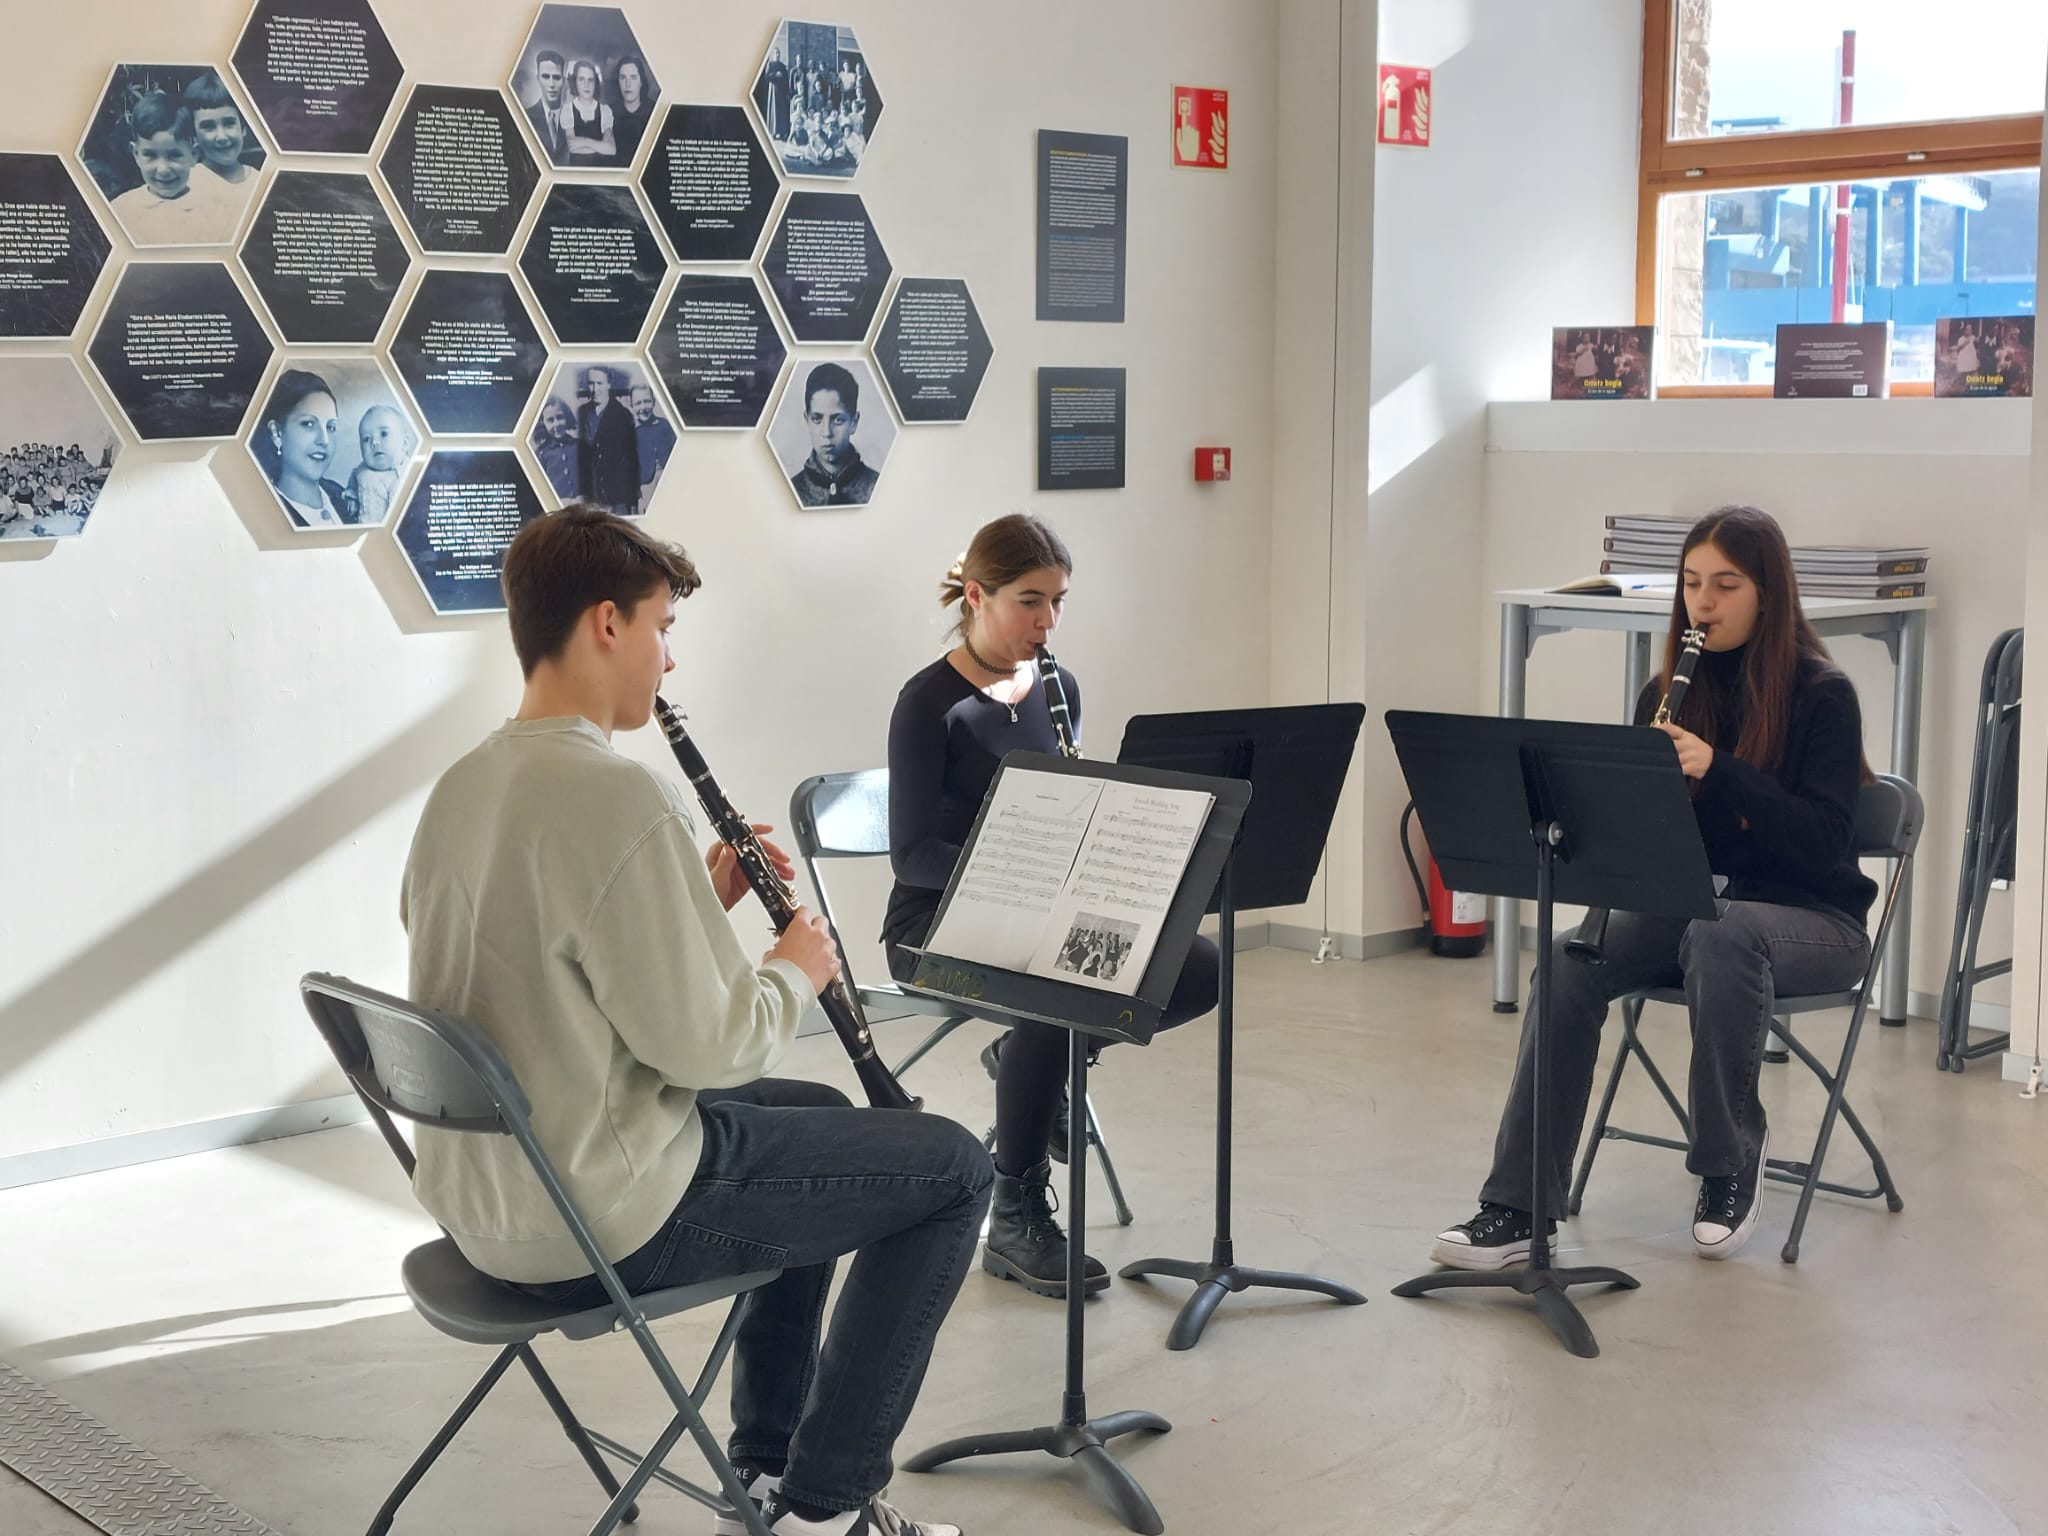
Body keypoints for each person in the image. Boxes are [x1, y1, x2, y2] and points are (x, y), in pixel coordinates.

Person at [402, 505, 987, 1536]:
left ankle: (761, 1471)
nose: (668, 661)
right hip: (603, 1215)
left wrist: (685, 908)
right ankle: (824, 1508)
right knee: (950, 1169)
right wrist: (793, 971)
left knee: (808, 1110)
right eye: (663, 625)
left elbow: (534, 971)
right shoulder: (613, 796)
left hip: (486, 1200)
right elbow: (711, 1046)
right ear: (606, 624)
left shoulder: (464, 785)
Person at [1430, 505, 1876, 1270]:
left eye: (1726, 586)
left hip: (1813, 922)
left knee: (1723, 931)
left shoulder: (1823, 696)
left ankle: (1728, 1159)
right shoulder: (1665, 693)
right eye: (1693, 584)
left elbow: (1825, 843)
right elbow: (1645, 847)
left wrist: (1719, 769)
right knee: (1573, 960)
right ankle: (1516, 1206)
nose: (1703, 603)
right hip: (1699, 914)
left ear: (1768, 593)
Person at [884, 513, 1221, 1298]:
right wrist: (1024, 880)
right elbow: (913, 856)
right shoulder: (929, 704)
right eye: (1030, 601)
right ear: (977, 595)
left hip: (1038, 914)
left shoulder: (1060, 688)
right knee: (1055, 993)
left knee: (1198, 966)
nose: (1048, 621)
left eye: (1059, 601)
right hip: (934, 922)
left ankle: (1045, 1064)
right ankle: (1015, 1210)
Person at [107, 93, 234, 243]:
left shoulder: (216, 212)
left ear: (194, 154)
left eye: (174, 155)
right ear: (136, 153)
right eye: (150, 155)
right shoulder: (120, 212)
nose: (163, 170)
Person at [256, 370, 351, 528]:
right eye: (308, 424)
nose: (324, 440)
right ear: (277, 433)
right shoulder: (265, 512)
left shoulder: (342, 496)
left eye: (331, 427)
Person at [789, 363, 877, 506]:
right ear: (807, 420)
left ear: (853, 422)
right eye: (817, 419)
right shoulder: (792, 489)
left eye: (838, 420)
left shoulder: (876, 486)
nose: (827, 433)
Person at [576, 367, 640, 514]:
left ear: (609, 385)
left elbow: (632, 460)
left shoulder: (624, 416)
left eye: (600, 383)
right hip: (589, 495)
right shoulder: (581, 413)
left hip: (616, 498)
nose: (595, 389)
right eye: (591, 383)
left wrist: (632, 499)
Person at [344, 404, 415, 526]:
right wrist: (353, 499)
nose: (374, 443)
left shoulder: (401, 475)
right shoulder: (360, 471)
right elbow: (352, 487)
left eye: (384, 434)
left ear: (405, 443)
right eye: (366, 439)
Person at [562, 59, 617, 166]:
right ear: (575, 82)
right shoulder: (567, 110)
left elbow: (611, 149)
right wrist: (600, 146)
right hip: (575, 173)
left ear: (595, 83)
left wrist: (585, 142)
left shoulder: (604, 110)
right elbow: (572, 147)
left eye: (590, 80)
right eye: (581, 79)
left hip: (600, 172)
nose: (586, 85)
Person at [629, 381, 676, 507]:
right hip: (645, 484)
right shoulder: (631, 432)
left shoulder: (664, 425)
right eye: (638, 403)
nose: (643, 407)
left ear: (653, 402)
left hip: (668, 480)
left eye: (647, 401)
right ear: (632, 406)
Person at [533, 396, 581, 500]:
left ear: (567, 417)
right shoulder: (541, 454)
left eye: (560, 417)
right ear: (542, 423)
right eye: (550, 420)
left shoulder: (579, 446)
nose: (556, 424)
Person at [525, 49, 568, 161]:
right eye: (545, 76)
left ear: (563, 80)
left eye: (556, 77)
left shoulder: (575, 118)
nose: (551, 84)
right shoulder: (526, 117)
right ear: (538, 78)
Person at [612, 53, 653, 165]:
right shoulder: (608, 112)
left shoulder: (653, 111)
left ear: (642, 82)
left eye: (633, 77)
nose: (627, 84)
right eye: (623, 77)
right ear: (618, 81)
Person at [761, 45, 792, 140]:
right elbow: (767, 77)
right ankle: (774, 132)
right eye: (776, 53)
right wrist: (775, 75)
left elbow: (786, 80)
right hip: (774, 92)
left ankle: (782, 132)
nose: (777, 55)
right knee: (774, 112)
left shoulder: (782, 66)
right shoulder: (770, 65)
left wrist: (787, 93)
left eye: (779, 53)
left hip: (782, 93)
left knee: (782, 113)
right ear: (773, 55)